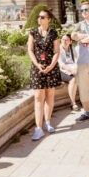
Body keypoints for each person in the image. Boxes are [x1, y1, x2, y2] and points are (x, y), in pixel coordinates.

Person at [27, 9, 61, 140]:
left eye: (42, 17)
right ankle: (38, 128)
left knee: (50, 95)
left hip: (51, 67)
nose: (39, 19)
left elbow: (57, 51)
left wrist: (51, 66)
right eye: (38, 17)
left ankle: (47, 122)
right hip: (38, 68)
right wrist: (37, 64)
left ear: (49, 19)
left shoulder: (53, 33)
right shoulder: (33, 32)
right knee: (38, 97)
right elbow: (30, 50)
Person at [58, 34, 79, 111]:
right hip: (62, 70)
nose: (64, 41)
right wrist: (71, 70)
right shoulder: (58, 49)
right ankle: (73, 103)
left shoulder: (72, 48)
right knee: (73, 80)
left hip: (73, 68)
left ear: (70, 42)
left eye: (66, 40)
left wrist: (76, 69)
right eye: (63, 39)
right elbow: (61, 64)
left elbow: (77, 60)